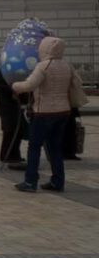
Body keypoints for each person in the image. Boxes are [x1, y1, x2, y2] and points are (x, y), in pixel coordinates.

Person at [12, 36, 84, 192]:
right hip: (63, 111)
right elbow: (77, 82)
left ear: (44, 49)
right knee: (55, 147)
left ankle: (30, 181)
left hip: (44, 112)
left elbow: (29, 85)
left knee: (34, 147)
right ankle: (58, 181)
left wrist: (15, 86)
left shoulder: (43, 66)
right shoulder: (67, 65)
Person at [0, 70, 26, 170]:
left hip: (17, 104)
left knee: (18, 130)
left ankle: (15, 154)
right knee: (10, 129)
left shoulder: (22, 69)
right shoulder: (6, 69)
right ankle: (7, 156)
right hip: (7, 104)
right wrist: (12, 90)